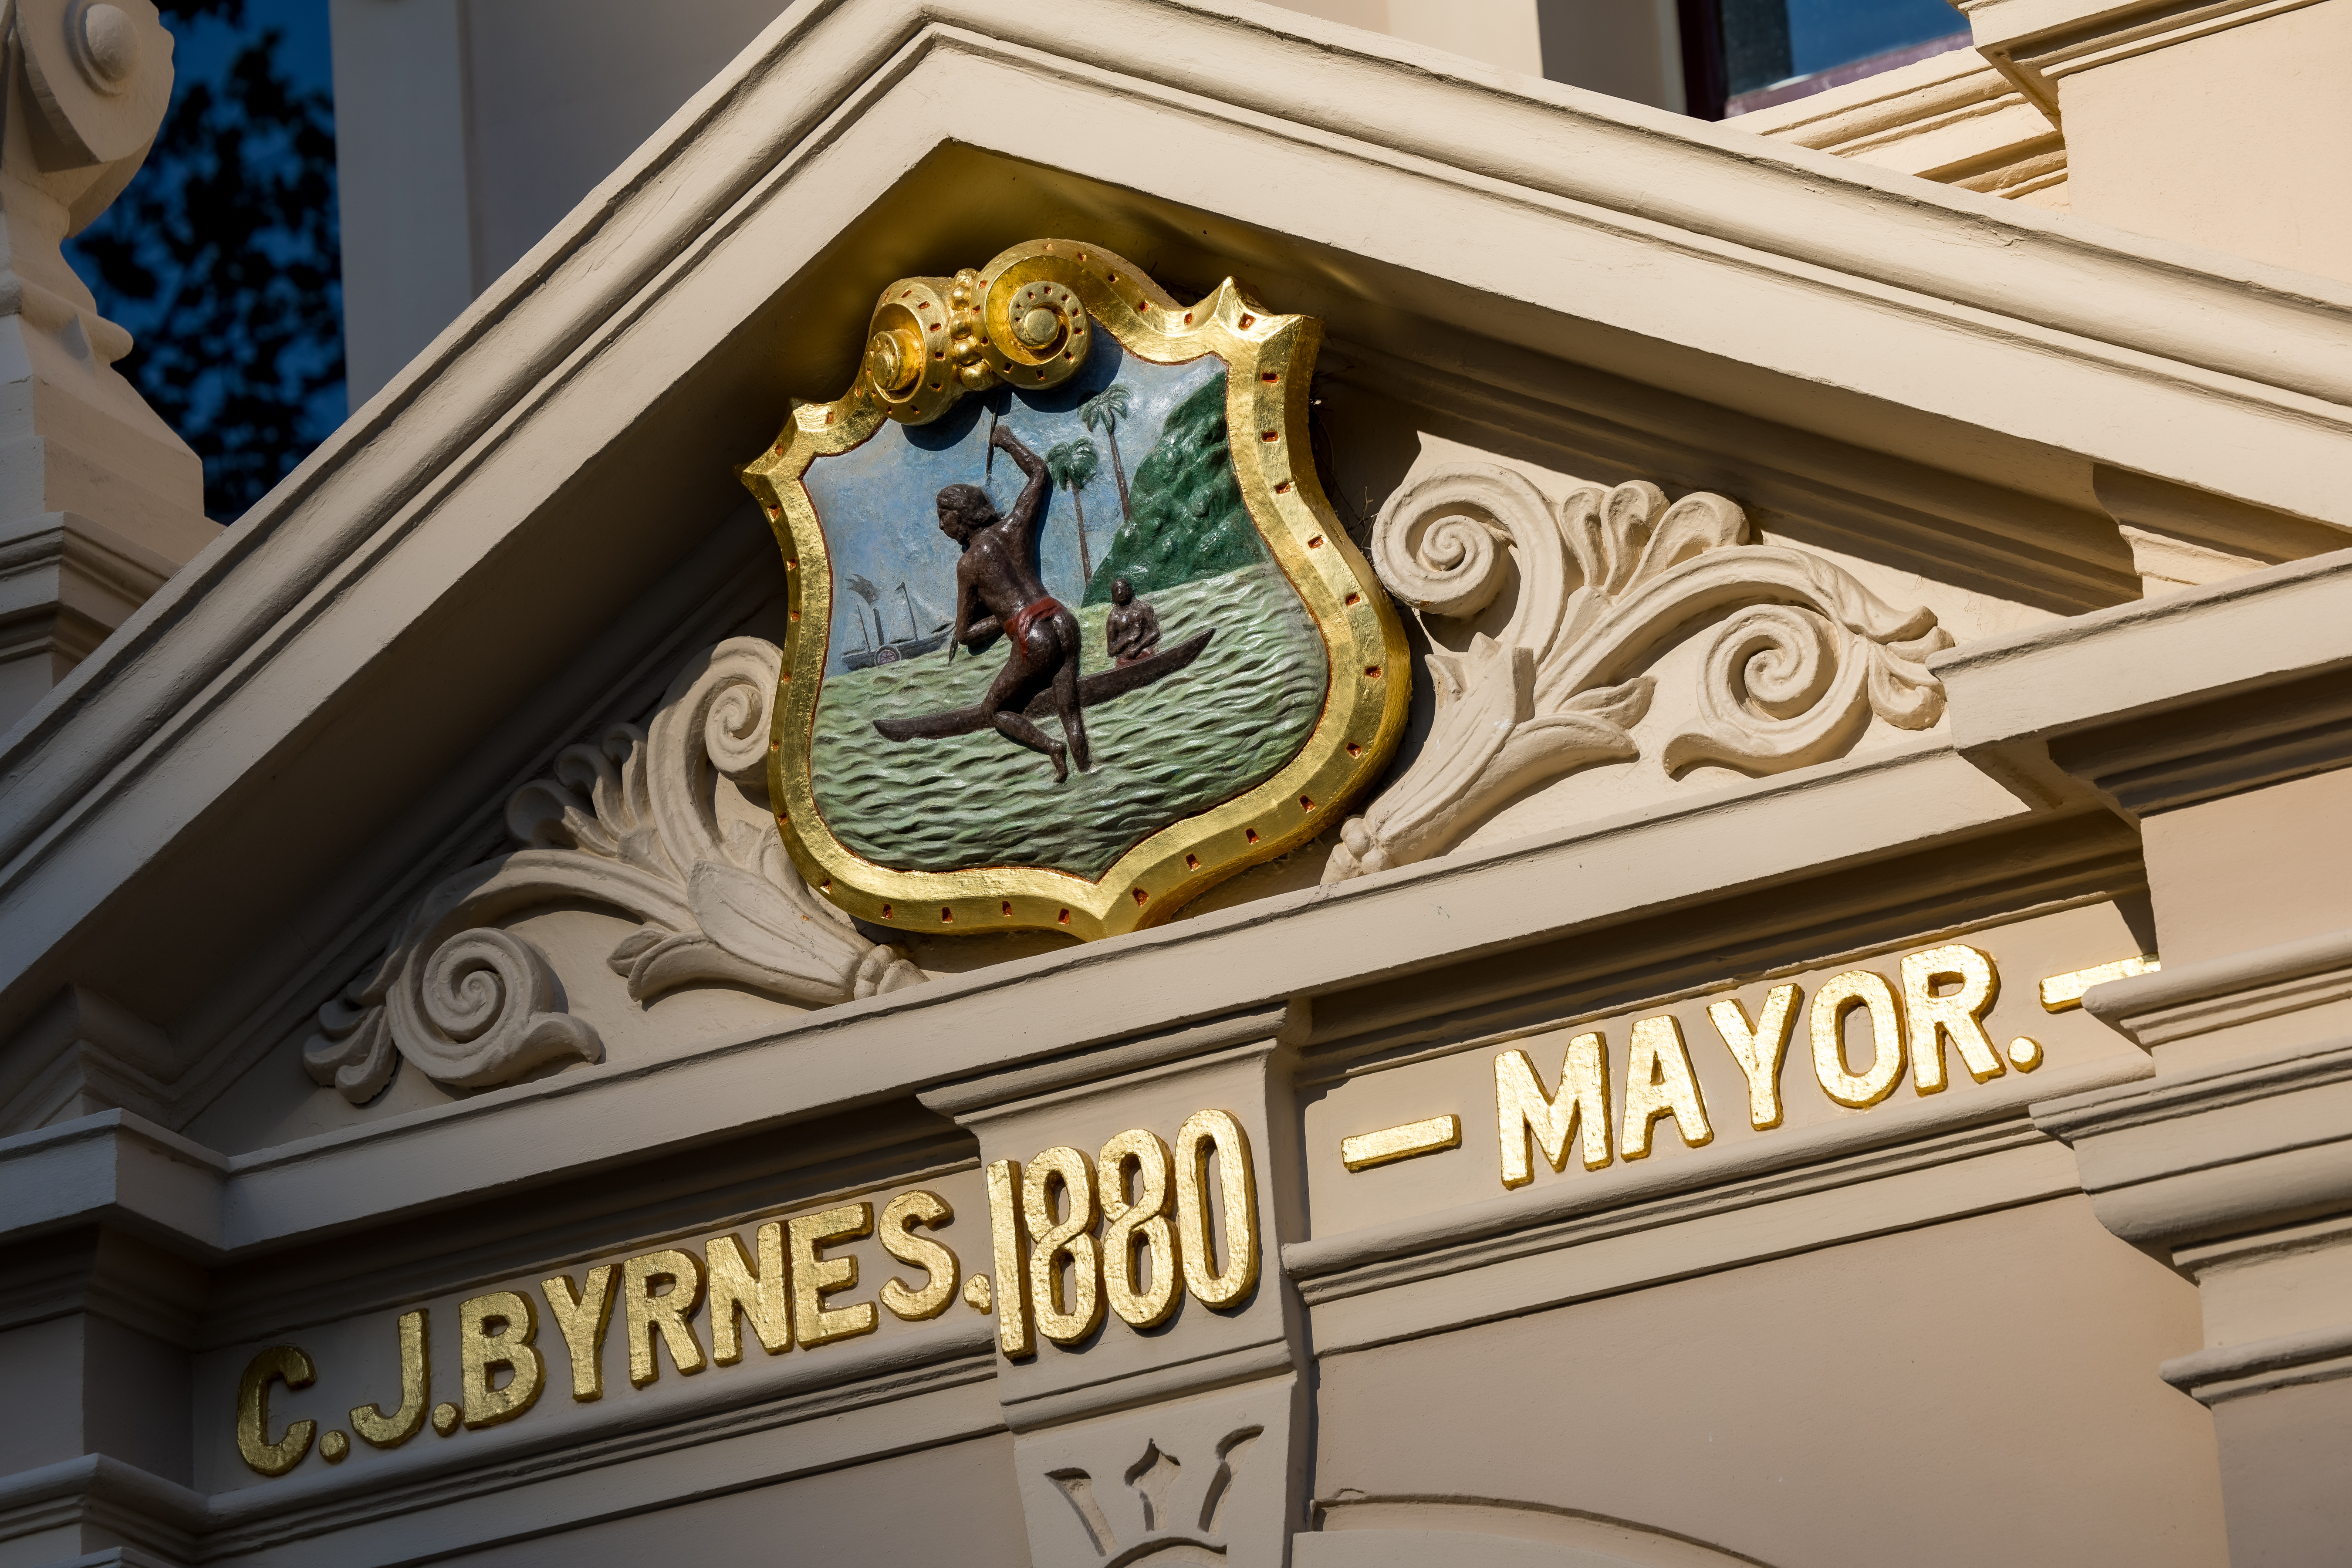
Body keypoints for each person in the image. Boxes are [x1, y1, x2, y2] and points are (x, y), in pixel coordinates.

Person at [936, 422, 1092, 781]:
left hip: (1031, 638)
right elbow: (1039, 472)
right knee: (1072, 715)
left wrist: (1001, 618)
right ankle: (1089, 771)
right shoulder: (1014, 526)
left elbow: (964, 634)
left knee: (994, 710)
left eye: (943, 518)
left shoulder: (968, 565)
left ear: (960, 519)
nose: (941, 527)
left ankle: (1052, 748)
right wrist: (1008, 441)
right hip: (1061, 618)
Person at [1104, 577, 1161, 666]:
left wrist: (1138, 648)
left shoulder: (1143, 608)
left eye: (1122, 588)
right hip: (1125, 659)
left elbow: (1155, 632)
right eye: (1116, 591)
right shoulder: (1113, 617)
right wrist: (1129, 638)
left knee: (1149, 655)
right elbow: (1111, 651)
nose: (1120, 593)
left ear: (1129, 589)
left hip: (1145, 651)